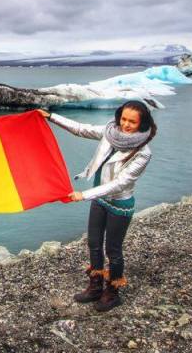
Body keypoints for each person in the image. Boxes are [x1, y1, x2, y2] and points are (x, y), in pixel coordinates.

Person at [39, 101, 157, 311]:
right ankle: (95, 286)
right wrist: (51, 117)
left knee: (113, 250)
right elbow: (80, 129)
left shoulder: (143, 152)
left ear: (142, 123)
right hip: (99, 199)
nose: (126, 124)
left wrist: (83, 195)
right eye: (124, 119)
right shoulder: (110, 132)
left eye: (132, 121)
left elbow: (120, 183)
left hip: (119, 204)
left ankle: (112, 292)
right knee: (93, 243)